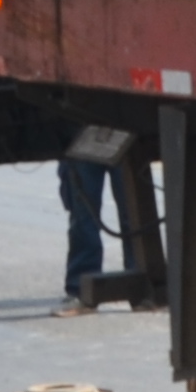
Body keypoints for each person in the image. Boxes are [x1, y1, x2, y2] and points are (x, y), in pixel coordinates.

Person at [58, 123, 137, 307]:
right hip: (82, 126)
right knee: (84, 216)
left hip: (122, 124)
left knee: (134, 214)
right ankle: (81, 287)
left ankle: (141, 284)